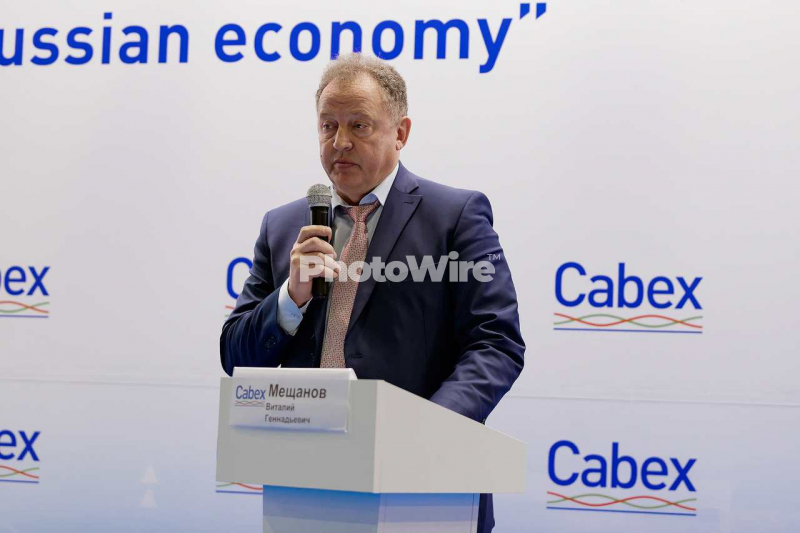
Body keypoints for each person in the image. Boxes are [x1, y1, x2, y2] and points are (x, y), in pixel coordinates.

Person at [220, 53, 525, 533]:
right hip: (306, 490)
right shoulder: (283, 227)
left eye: (359, 125)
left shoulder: (455, 216)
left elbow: (496, 343)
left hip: (425, 490)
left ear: (400, 133)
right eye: (328, 126)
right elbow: (235, 354)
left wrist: (428, 429)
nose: (339, 142)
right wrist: (290, 298)